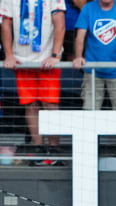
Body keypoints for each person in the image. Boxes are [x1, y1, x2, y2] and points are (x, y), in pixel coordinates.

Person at [0, 0, 66, 162]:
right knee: (30, 105)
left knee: (50, 105)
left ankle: (53, 148)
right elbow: (6, 24)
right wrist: (8, 54)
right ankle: (38, 149)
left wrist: (55, 55)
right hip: (23, 60)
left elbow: (60, 24)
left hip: (47, 61)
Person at [72, 0, 116, 155]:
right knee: (90, 109)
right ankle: (90, 147)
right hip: (93, 68)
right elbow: (80, 36)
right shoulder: (88, 8)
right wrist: (78, 56)